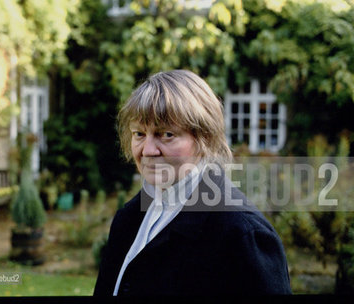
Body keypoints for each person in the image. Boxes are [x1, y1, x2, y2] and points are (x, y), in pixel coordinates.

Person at [93, 70, 292, 295]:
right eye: (139, 134)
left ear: (204, 138)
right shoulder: (128, 218)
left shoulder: (242, 233)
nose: (148, 150)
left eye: (166, 134)